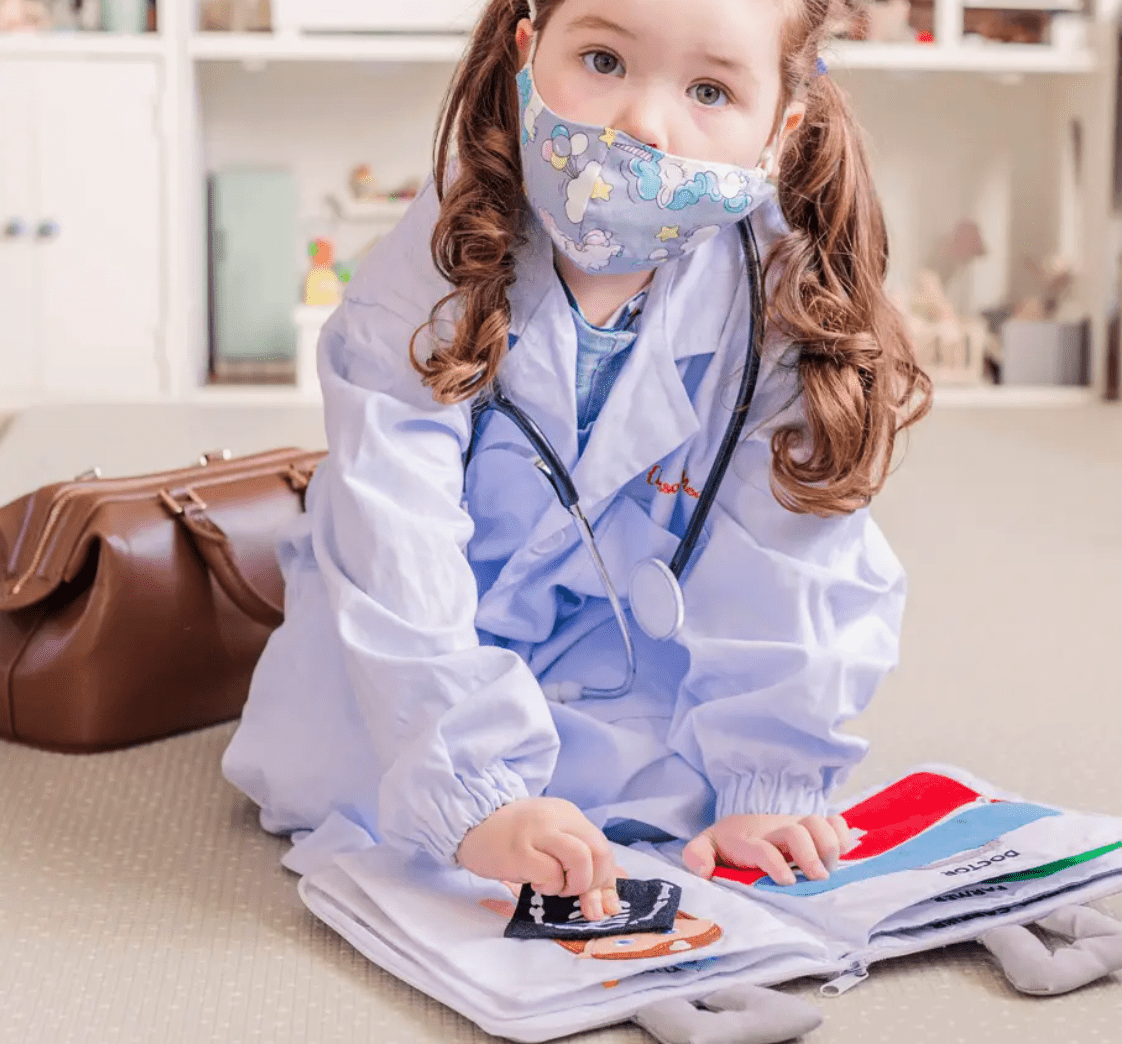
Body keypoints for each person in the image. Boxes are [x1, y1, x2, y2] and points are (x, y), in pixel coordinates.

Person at [222, 0, 932, 928]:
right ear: (528, 50)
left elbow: (792, 558)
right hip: (424, 655)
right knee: (362, 791)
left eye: (709, 90)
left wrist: (765, 781)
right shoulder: (430, 267)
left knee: (669, 797)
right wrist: (473, 793)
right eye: (602, 61)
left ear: (781, 127)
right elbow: (392, 533)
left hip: (623, 653)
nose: (642, 124)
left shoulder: (781, 300)